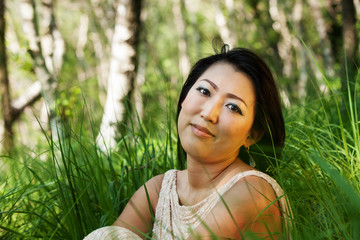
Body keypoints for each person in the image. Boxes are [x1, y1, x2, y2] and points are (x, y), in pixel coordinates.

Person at [84, 45, 291, 239]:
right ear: (184, 98)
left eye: (233, 107)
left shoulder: (252, 191)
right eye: (204, 91)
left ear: (252, 135)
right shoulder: (159, 190)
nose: (209, 113)